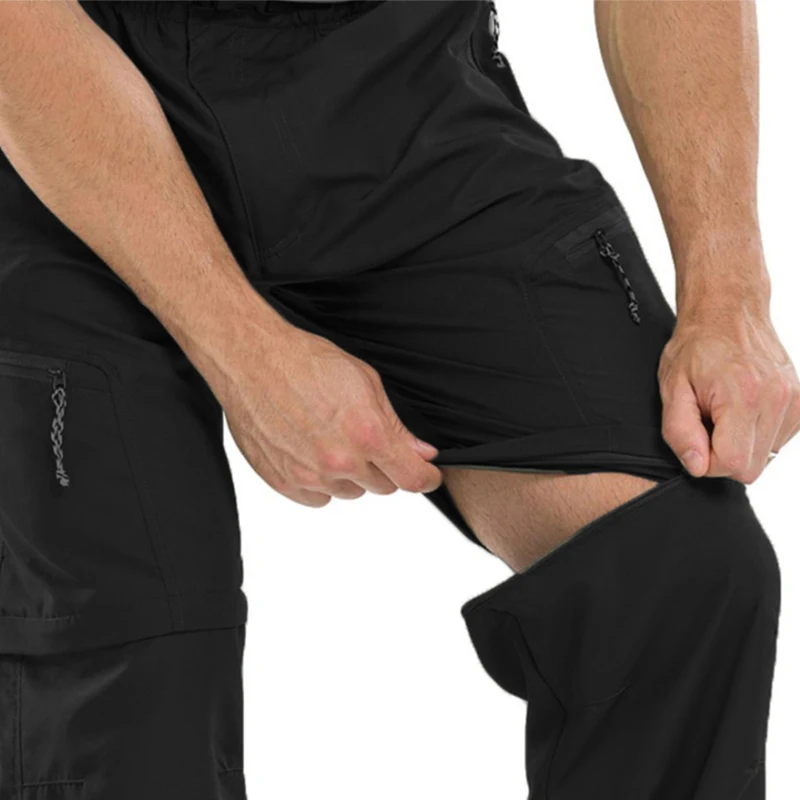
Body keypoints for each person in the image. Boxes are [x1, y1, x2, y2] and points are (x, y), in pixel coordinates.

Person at [0, 1, 794, 797]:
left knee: (677, 573)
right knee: (131, 696)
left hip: (396, 81)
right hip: (66, 108)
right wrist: (241, 346)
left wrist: (727, 287)